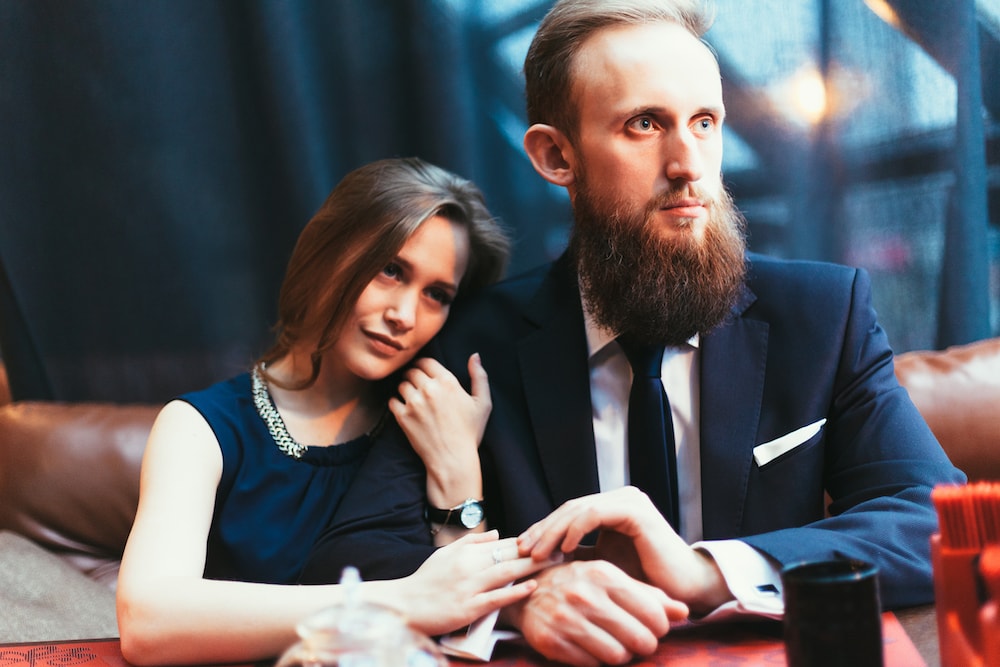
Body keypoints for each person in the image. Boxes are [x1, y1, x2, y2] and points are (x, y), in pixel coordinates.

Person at [299, 2, 966, 666]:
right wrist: (521, 594)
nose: (688, 164)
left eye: (705, 123)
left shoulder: (823, 314)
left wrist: (706, 569)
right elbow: (350, 563)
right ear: (556, 155)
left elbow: (934, 520)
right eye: (645, 124)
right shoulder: (473, 344)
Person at [115, 157, 552, 666]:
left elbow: (464, 615)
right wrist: (402, 600)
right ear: (327, 253)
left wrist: (458, 466)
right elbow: (147, 622)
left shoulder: (432, 422)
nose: (403, 315)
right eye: (391, 270)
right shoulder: (199, 428)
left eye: (436, 295)